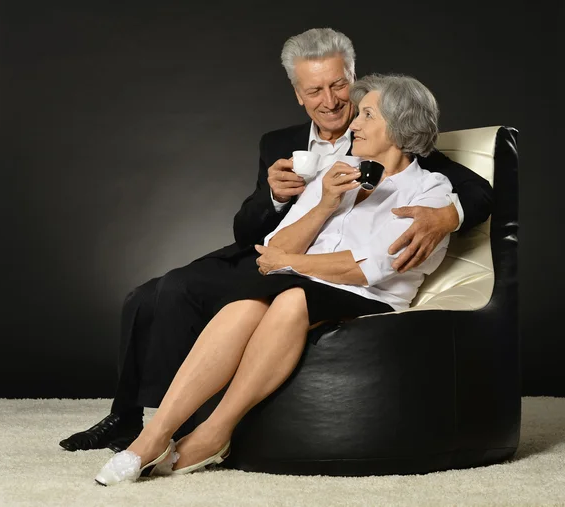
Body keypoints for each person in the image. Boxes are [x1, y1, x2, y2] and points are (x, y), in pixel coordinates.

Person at [60, 28, 492, 455]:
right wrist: (273, 196)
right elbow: (248, 230)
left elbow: (477, 191)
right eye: (315, 90)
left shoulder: (391, 133)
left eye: (339, 85)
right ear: (298, 95)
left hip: (309, 266)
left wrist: (446, 216)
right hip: (273, 249)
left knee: (206, 296)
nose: (330, 101)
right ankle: (126, 417)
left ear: (354, 81)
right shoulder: (279, 143)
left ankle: (188, 427)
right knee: (152, 292)